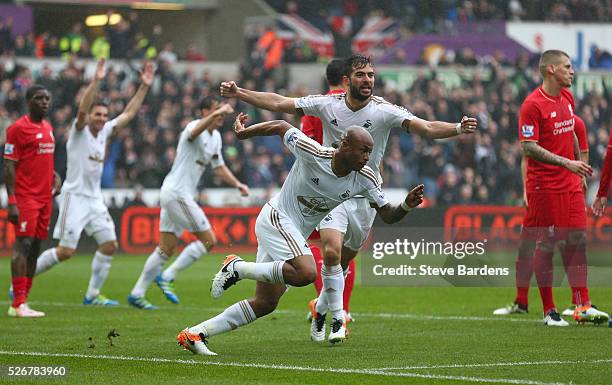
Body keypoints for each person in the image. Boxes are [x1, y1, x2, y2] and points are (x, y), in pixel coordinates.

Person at [220, 54, 477, 343]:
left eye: (371, 75)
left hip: (365, 193)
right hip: (334, 192)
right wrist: (239, 93)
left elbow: (426, 128)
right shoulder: (328, 104)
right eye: (361, 75)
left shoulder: (384, 111)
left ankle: (320, 308)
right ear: (347, 80)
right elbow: (281, 103)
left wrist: (457, 129)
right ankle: (339, 320)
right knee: (330, 252)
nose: (367, 80)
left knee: (343, 262)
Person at [176, 115, 425, 355]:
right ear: (345, 146)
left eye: (370, 152)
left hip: (292, 232)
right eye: (363, 150)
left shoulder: (365, 177)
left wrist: (406, 205)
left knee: (265, 303)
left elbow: (387, 214)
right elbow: (280, 125)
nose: (367, 157)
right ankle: (237, 268)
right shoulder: (314, 152)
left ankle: (195, 333)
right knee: (307, 272)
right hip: (277, 218)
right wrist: (243, 133)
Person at [13, 59, 155, 307]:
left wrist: (143, 87)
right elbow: (81, 111)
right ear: (89, 116)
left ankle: (92, 295)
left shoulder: (106, 131)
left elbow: (129, 114)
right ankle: (20, 284)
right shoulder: (79, 132)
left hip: (94, 199)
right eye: (97, 115)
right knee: (66, 252)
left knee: (109, 245)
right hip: (73, 196)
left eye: (104, 116)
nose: (101, 119)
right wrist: (97, 80)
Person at [128, 96, 249, 309]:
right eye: (215, 109)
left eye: (221, 111)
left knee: (165, 249)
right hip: (177, 194)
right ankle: (168, 276)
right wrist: (218, 111)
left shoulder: (216, 138)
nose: (221, 114)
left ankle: (137, 293)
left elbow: (218, 167)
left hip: (175, 194)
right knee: (209, 241)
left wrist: (238, 184)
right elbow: (194, 132)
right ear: (204, 112)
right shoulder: (194, 127)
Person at [517, 49, 608, 326]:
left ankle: (582, 304)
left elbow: (575, 126)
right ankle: (549, 311)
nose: (572, 71)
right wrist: (567, 163)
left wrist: (581, 162)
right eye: (567, 67)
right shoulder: (532, 105)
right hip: (544, 186)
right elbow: (529, 148)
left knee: (577, 242)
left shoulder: (567, 97)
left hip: (570, 184)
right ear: (551, 70)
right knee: (547, 246)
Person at [494, 114, 591, 316]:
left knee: (568, 242)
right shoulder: (540, 121)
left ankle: (578, 302)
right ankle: (521, 301)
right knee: (527, 246)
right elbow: (526, 158)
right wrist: (525, 190)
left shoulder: (576, 124)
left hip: (563, 190)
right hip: (538, 191)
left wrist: (578, 178)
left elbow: (583, 153)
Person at [300, 58, 357, 325]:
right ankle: (341, 309)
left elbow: (306, 143)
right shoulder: (357, 105)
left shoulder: (315, 105)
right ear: (347, 79)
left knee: (318, 246)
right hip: (352, 184)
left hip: (319, 183)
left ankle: (325, 304)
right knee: (346, 248)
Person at [5, 85, 61, 317]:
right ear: (29, 102)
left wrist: (55, 175)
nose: (44, 102)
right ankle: (18, 303)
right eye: (39, 98)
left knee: (36, 247)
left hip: (45, 198)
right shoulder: (17, 129)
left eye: (47, 98)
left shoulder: (48, 127)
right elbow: (9, 166)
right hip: (26, 197)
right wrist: (12, 201)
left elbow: (43, 158)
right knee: (23, 245)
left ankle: (23, 301)